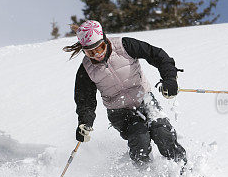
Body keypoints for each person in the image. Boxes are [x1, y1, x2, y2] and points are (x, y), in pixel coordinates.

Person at [64, 19, 187, 168]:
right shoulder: (86, 69)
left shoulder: (124, 46)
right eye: (90, 52)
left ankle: (183, 169)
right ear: (84, 50)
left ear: (105, 39)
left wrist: (169, 79)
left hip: (144, 98)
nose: (97, 55)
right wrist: (85, 122)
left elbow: (157, 55)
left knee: (161, 132)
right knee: (139, 137)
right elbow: (85, 100)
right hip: (119, 112)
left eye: (100, 48)